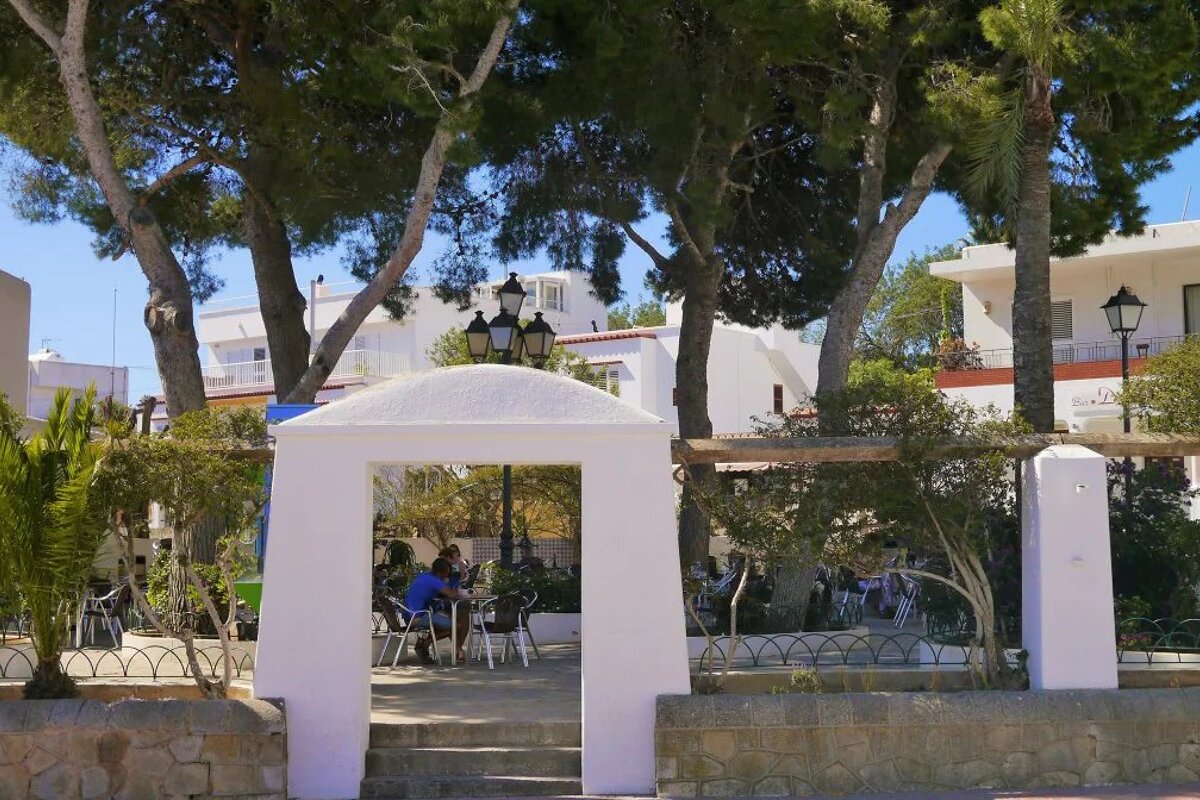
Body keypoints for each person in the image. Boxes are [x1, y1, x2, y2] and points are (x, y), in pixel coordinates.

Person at [404, 558, 468, 664]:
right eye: (446, 574)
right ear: (440, 573)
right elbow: (452, 594)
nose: (447, 577)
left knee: (449, 621)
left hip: (409, 615)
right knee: (457, 625)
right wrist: (459, 590)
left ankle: (457, 650)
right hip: (418, 618)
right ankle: (425, 642)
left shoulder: (423, 576)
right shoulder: (434, 581)